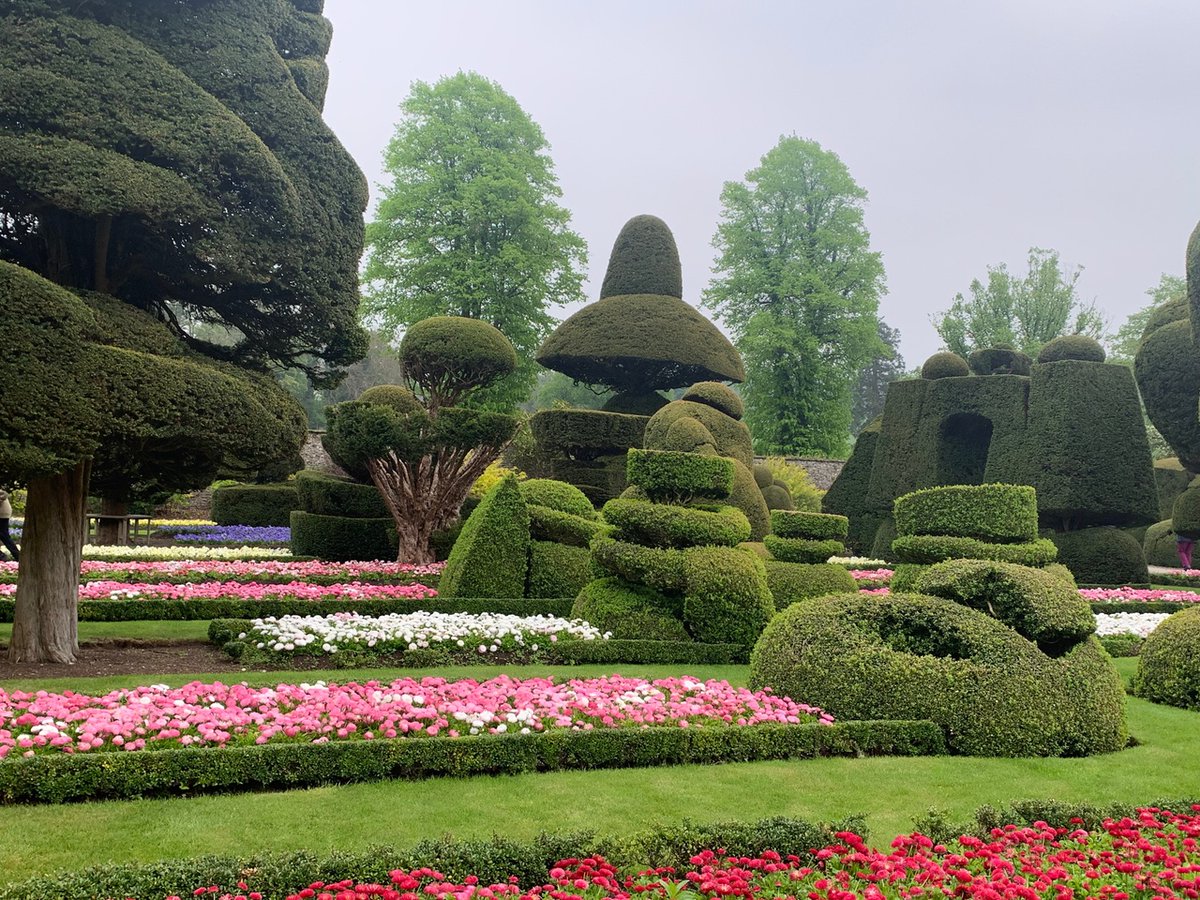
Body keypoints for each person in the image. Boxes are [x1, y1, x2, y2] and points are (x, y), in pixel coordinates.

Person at [0, 487, 18, 562]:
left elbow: (4, 494)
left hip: (1, 514)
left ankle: (18, 555)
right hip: (3, 513)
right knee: (4, 536)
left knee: (4, 536)